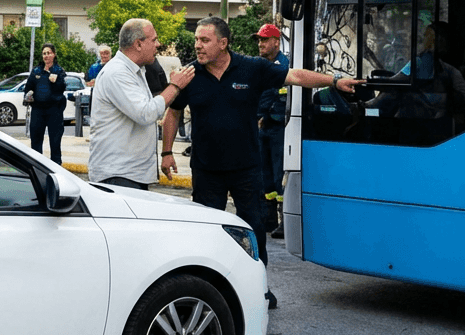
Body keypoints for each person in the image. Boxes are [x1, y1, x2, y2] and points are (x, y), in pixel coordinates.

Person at [161, 16, 362, 309]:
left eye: (204, 40)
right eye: (197, 40)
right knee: (207, 234)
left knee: (254, 230)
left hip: (246, 169)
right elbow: (173, 113)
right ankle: (210, 292)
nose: (198, 46)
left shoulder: (252, 68)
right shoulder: (190, 74)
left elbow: (295, 76)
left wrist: (333, 81)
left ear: (223, 43)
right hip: (207, 171)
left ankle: (259, 288)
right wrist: (167, 151)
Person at [88, 19, 195, 190]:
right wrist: (175, 85)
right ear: (138, 44)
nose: (158, 44)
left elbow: (153, 109)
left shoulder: (136, 71)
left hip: (129, 174)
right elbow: (146, 113)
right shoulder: (117, 73)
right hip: (118, 176)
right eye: (153, 40)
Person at [254, 23, 290, 239]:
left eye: (264, 40)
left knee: (279, 175)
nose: (260, 44)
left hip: (278, 127)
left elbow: (270, 93)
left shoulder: (281, 64)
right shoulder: (261, 64)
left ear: (276, 42)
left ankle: (285, 221)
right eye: (259, 40)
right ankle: (269, 219)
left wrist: (259, 114)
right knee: (265, 174)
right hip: (265, 126)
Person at [25, 43, 67, 164]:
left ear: (54, 54)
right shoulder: (36, 71)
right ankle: (37, 166)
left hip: (54, 110)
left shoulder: (59, 71)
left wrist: (56, 81)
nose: (46, 56)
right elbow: (28, 87)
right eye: (44, 53)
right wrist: (28, 95)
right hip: (38, 110)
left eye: (49, 53)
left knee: (55, 141)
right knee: (36, 141)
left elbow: (62, 89)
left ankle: (56, 167)